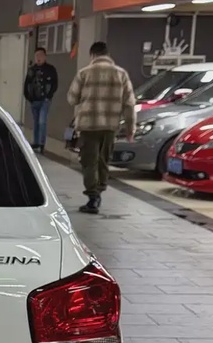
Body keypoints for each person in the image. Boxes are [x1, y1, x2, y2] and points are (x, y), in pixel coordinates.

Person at [67, 41, 136, 214]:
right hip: (110, 127)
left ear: (92, 55)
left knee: (89, 162)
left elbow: (72, 99)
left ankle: (93, 197)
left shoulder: (84, 73)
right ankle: (99, 190)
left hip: (88, 126)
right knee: (104, 161)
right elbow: (129, 104)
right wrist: (130, 129)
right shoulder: (121, 74)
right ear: (107, 54)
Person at [23, 47, 58, 154]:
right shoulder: (32, 70)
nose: (38, 58)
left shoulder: (50, 69)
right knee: (36, 122)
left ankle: (42, 143)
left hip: (45, 100)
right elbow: (26, 84)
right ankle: (36, 142)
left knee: (42, 121)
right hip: (34, 100)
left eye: (41, 55)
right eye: (36, 56)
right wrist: (28, 97)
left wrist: (49, 96)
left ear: (45, 56)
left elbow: (55, 84)